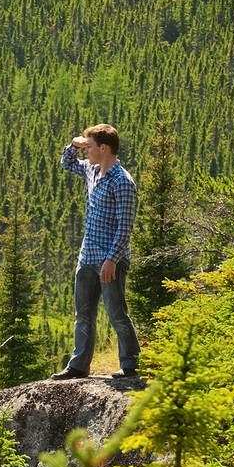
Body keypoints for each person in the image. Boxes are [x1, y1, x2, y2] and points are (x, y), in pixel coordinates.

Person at [51, 123, 140, 380]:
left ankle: (131, 365)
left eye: (90, 147)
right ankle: (78, 366)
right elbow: (67, 163)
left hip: (110, 260)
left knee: (116, 312)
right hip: (87, 256)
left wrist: (112, 260)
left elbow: (125, 228)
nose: (86, 151)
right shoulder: (91, 171)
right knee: (83, 314)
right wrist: (75, 145)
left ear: (104, 148)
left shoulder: (122, 181)